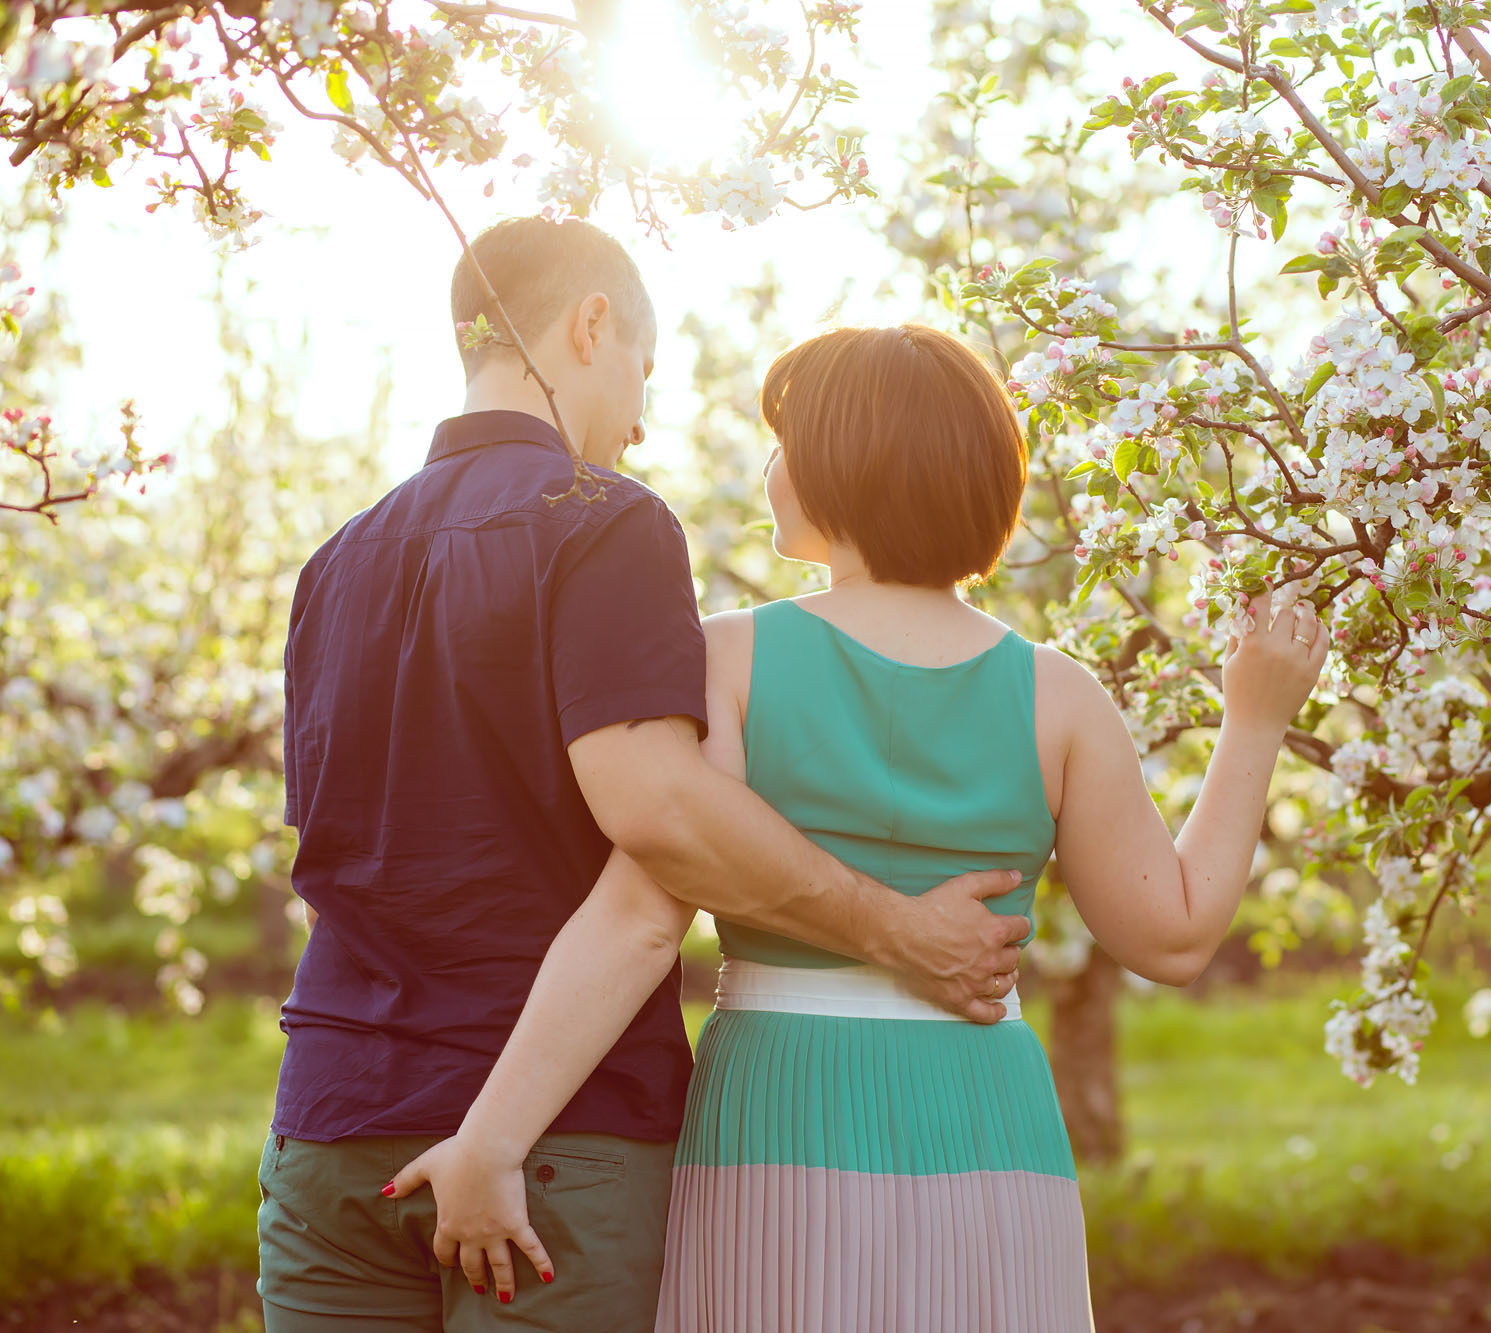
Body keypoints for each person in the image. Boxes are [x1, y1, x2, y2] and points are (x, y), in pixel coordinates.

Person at [390, 323, 1329, 1331]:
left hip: (778, 1095)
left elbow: (637, 913)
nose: (769, 464)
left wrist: (492, 1138)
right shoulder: (1059, 697)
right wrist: (1255, 719)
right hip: (984, 1111)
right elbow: (1173, 934)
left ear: (842, 462)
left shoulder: (725, 660)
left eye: (784, 437)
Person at [260, 224, 1026, 1333]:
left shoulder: (336, 561)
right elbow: (659, 810)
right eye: (641, 374)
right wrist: (892, 927)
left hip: (330, 1128)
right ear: (589, 326)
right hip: (553, 1139)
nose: (640, 421)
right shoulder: (601, 520)